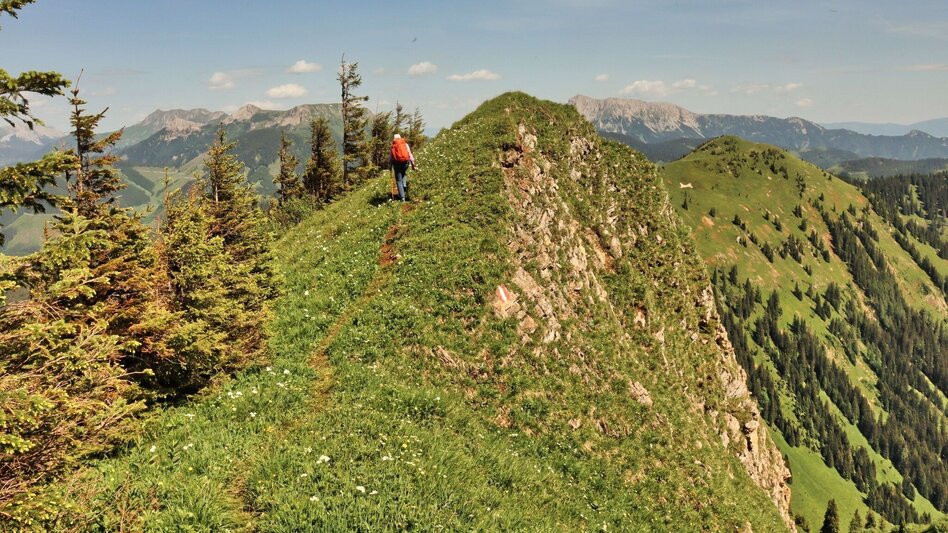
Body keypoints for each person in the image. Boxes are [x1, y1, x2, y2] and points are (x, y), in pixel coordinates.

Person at [389, 133, 416, 201]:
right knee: (403, 173)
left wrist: (390, 166)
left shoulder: (393, 146)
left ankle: (402, 197)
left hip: (397, 164)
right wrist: (413, 164)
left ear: (394, 139)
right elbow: (409, 154)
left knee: (398, 180)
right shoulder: (405, 144)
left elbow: (390, 158)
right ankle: (404, 185)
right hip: (405, 163)